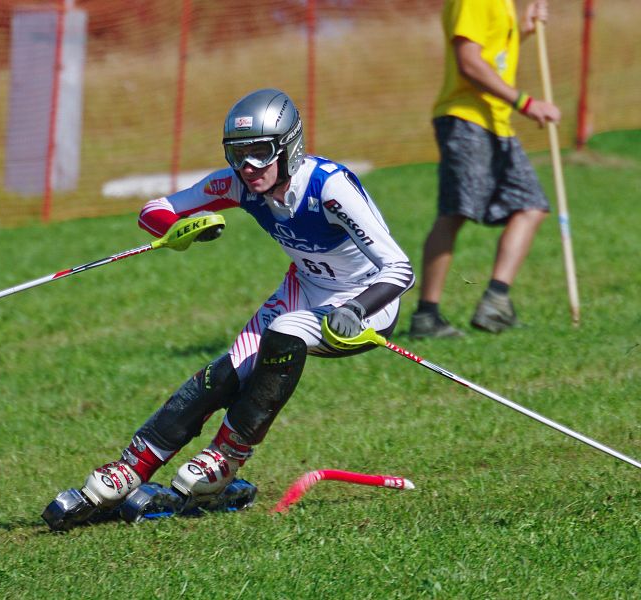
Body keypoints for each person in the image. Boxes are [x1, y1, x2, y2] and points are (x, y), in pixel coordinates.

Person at [66, 88, 414, 515]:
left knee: (284, 332)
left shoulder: (329, 187)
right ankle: (130, 468)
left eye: (260, 153)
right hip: (304, 288)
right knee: (228, 368)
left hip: (366, 307)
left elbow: (399, 268)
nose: (248, 167)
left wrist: (357, 308)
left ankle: (226, 458)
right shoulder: (239, 183)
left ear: (290, 147)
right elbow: (155, 209)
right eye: (237, 154)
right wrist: (178, 230)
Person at [409, 0, 561, 338]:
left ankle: (496, 303)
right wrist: (526, 102)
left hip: (497, 122)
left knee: (532, 205)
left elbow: (491, 57)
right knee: (455, 212)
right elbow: (469, 63)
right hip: (467, 119)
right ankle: (426, 317)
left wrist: (522, 31)